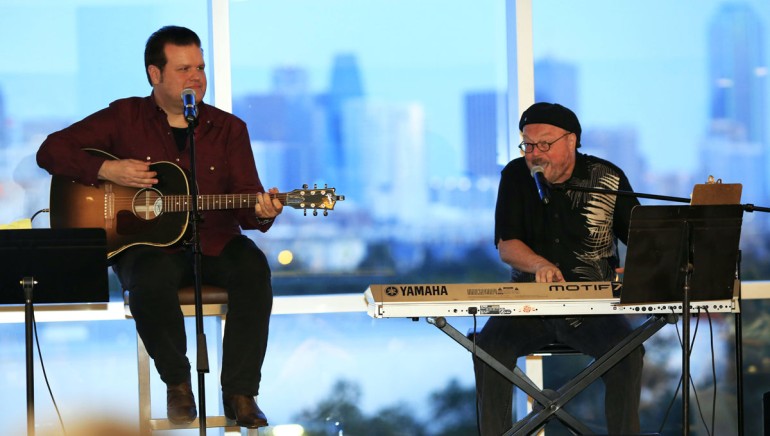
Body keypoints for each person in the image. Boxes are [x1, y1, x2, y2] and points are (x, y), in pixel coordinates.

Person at [36, 26, 282, 429]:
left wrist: (266, 211)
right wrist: (107, 168)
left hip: (216, 242)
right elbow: (51, 150)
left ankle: (240, 393)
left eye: (200, 67)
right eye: (184, 68)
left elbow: (246, 204)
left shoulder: (229, 129)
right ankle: (178, 385)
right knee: (148, 277)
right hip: (150, 249)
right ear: (155, 74)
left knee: (253, 268)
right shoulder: (124, 117)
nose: (196, 77)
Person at [473, 102, 644, 435]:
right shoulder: (515, 176)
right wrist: (539, 264)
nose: (534, 153)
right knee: (488, 349)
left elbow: (642, 239)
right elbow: (507, 245)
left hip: (592, 306)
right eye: (528, 145)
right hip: (528, 303)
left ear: (571, 140)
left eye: (544, 144)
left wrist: (640, 270)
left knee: (628, 353)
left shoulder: (607, 177)